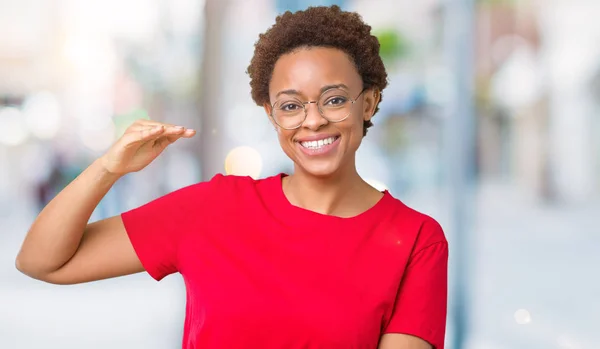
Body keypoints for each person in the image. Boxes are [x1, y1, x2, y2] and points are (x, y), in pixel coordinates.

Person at [16, 5, 448, 349]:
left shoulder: (416, 240)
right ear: (271, 115)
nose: (313, 121)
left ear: (368, 103)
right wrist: (108, 168)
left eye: (334, 100)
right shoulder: (213, 207)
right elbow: (41, 261)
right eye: (291, 105)